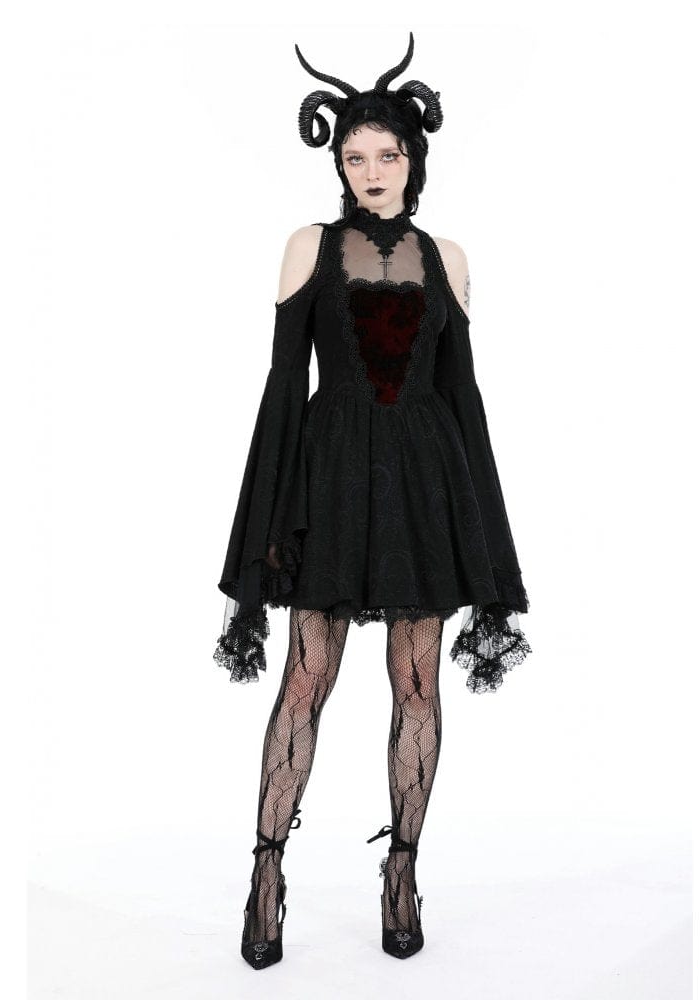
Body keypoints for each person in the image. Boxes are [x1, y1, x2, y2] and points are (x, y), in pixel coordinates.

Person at [213, 32, 533, 968]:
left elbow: (462, 397)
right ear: (339, 165)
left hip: (424, 488)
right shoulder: (307, 247)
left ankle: (402, 871)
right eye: (354, 157)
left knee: (418, 683)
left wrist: (482, 529)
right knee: (305, 679)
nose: (371, 172)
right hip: (330, 480)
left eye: (387, 154)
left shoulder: (449, 257)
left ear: (412, 158)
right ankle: (266, 873)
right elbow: (284, 388)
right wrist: (269, 517)